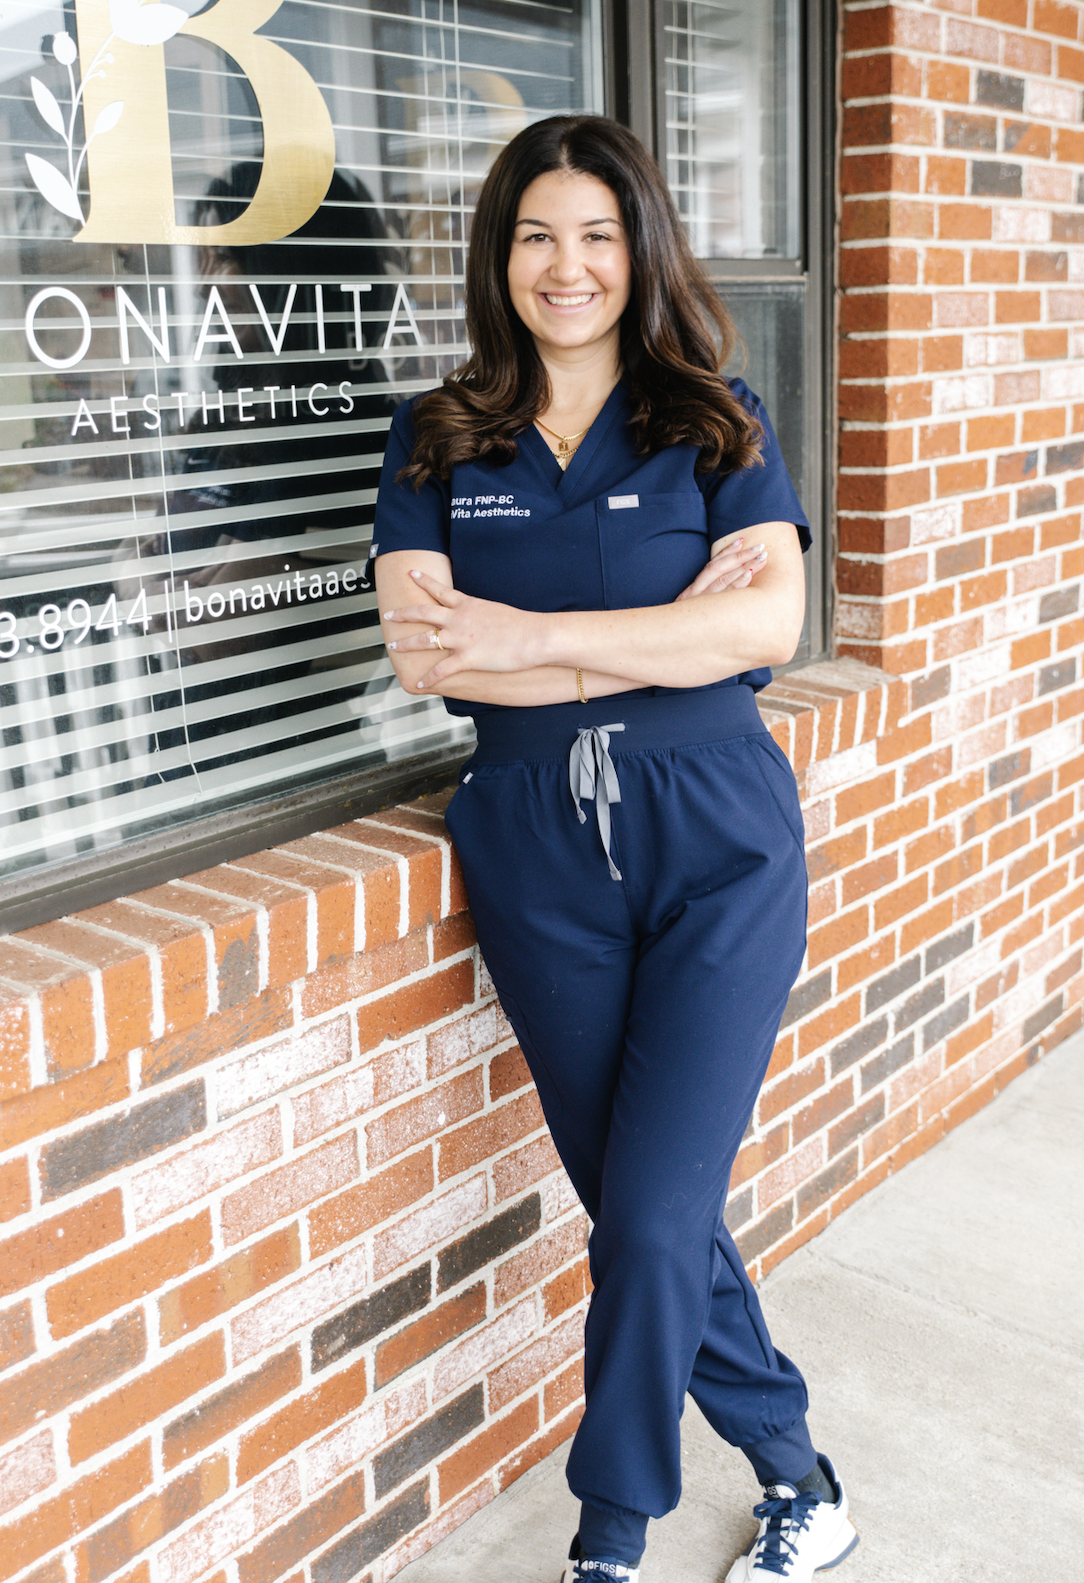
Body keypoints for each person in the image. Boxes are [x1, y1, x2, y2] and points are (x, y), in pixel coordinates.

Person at [369, 115, 858, 1583]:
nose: (566, 265)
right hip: (535, 852)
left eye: (596, 233)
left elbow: (766, 628)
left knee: (648, 1216)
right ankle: (801, 1477)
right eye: (536, 234)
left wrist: (526, 638)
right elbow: (424, 654)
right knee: (655, 1218)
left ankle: (611, 1533)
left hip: (717, 839)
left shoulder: (713, 421)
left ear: (639, 249)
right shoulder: (441, 435)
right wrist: (658, 638)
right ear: (499, 255)